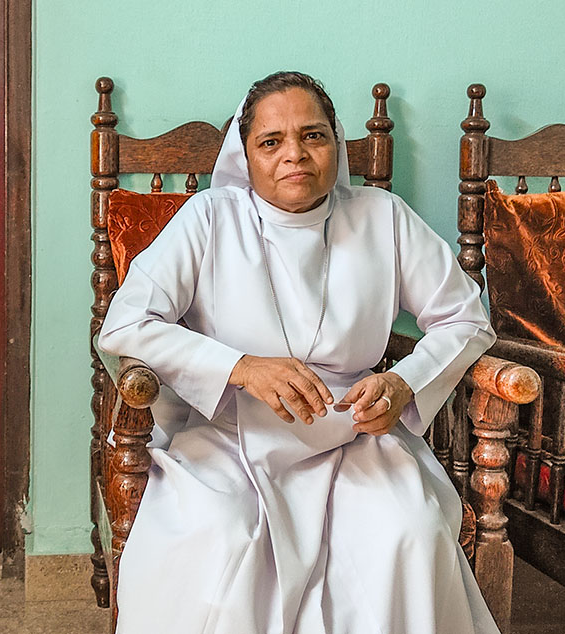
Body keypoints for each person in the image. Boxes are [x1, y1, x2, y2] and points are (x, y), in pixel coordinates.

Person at [98, 71, 499, 634]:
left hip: (357, 435)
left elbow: (466, 318)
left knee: (408, 530)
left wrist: (404, 382)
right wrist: (239, 368)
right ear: (247, 153)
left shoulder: (382, 216)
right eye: (271, 141)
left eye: (313, 136)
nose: (295, 155)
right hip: (230, 436)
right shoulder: (210, 217)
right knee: (215, 538)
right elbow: (126, 324)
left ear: (335, 142)